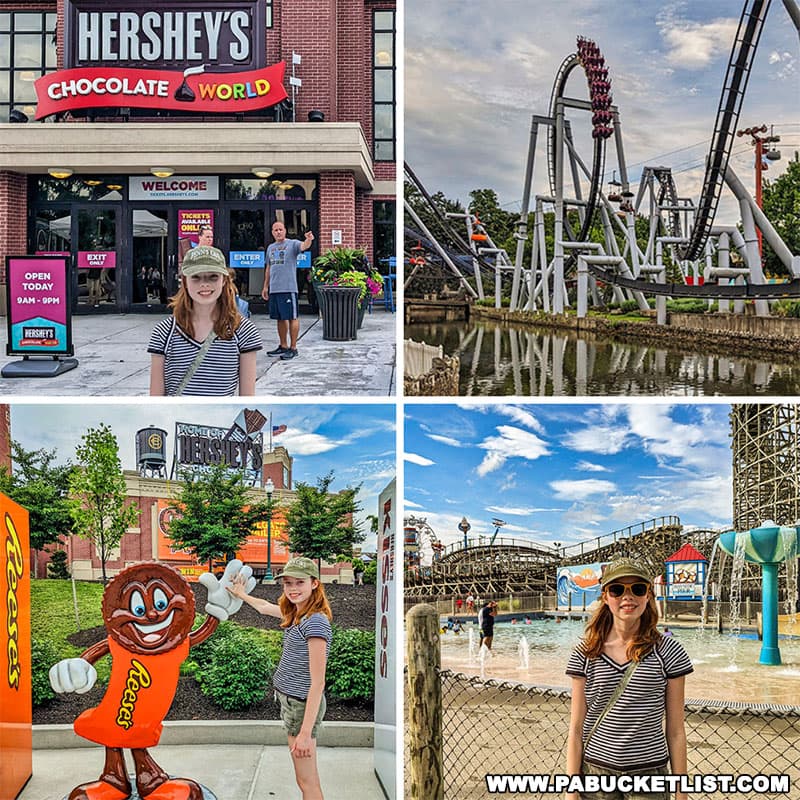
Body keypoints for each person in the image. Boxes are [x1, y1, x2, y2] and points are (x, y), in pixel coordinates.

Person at [565, 557, 692, 800]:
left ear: (648, 595)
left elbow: (676, 730)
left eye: (637, 588)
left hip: (649, 775)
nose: (627, 596)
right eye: (617, 589)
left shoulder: (669, 652)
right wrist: (572, 790)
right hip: (596, 773)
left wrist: (681, 792)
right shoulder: (586, 652)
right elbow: (576, 729)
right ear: (605, 596)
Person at [228, 557, 331, 800]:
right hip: (291, 703)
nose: (293, 589)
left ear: (314, 583)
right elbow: (264, 607)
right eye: (288, 583)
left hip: (300, 706)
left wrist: (305, 733)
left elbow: (318, 683)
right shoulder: (297, 614)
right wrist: (241, 594)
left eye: (300, 583)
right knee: (304, 779)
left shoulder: (315, 622)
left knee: (307, 782)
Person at [148, 245, 262, 396]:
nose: (205, 284)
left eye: (213, 276)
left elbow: (247, 399)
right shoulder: (164, 332)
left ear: (224, 280)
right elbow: (155, 399)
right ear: (184, 281)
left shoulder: (244, 331)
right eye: (196, 277)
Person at [262, 221, 314, 361]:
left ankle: (293, 348)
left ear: (285, 230)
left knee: (292, 317)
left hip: (288, 288)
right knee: (280, 318)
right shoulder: (271, 248)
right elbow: (269, 268)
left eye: (280, 229)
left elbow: (304, 246)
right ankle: (283, 345)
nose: (278, 232)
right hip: (274, 288)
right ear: (272, 232)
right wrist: (266, 286)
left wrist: (308, 239)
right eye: (275, 230)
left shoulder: (292, 244)